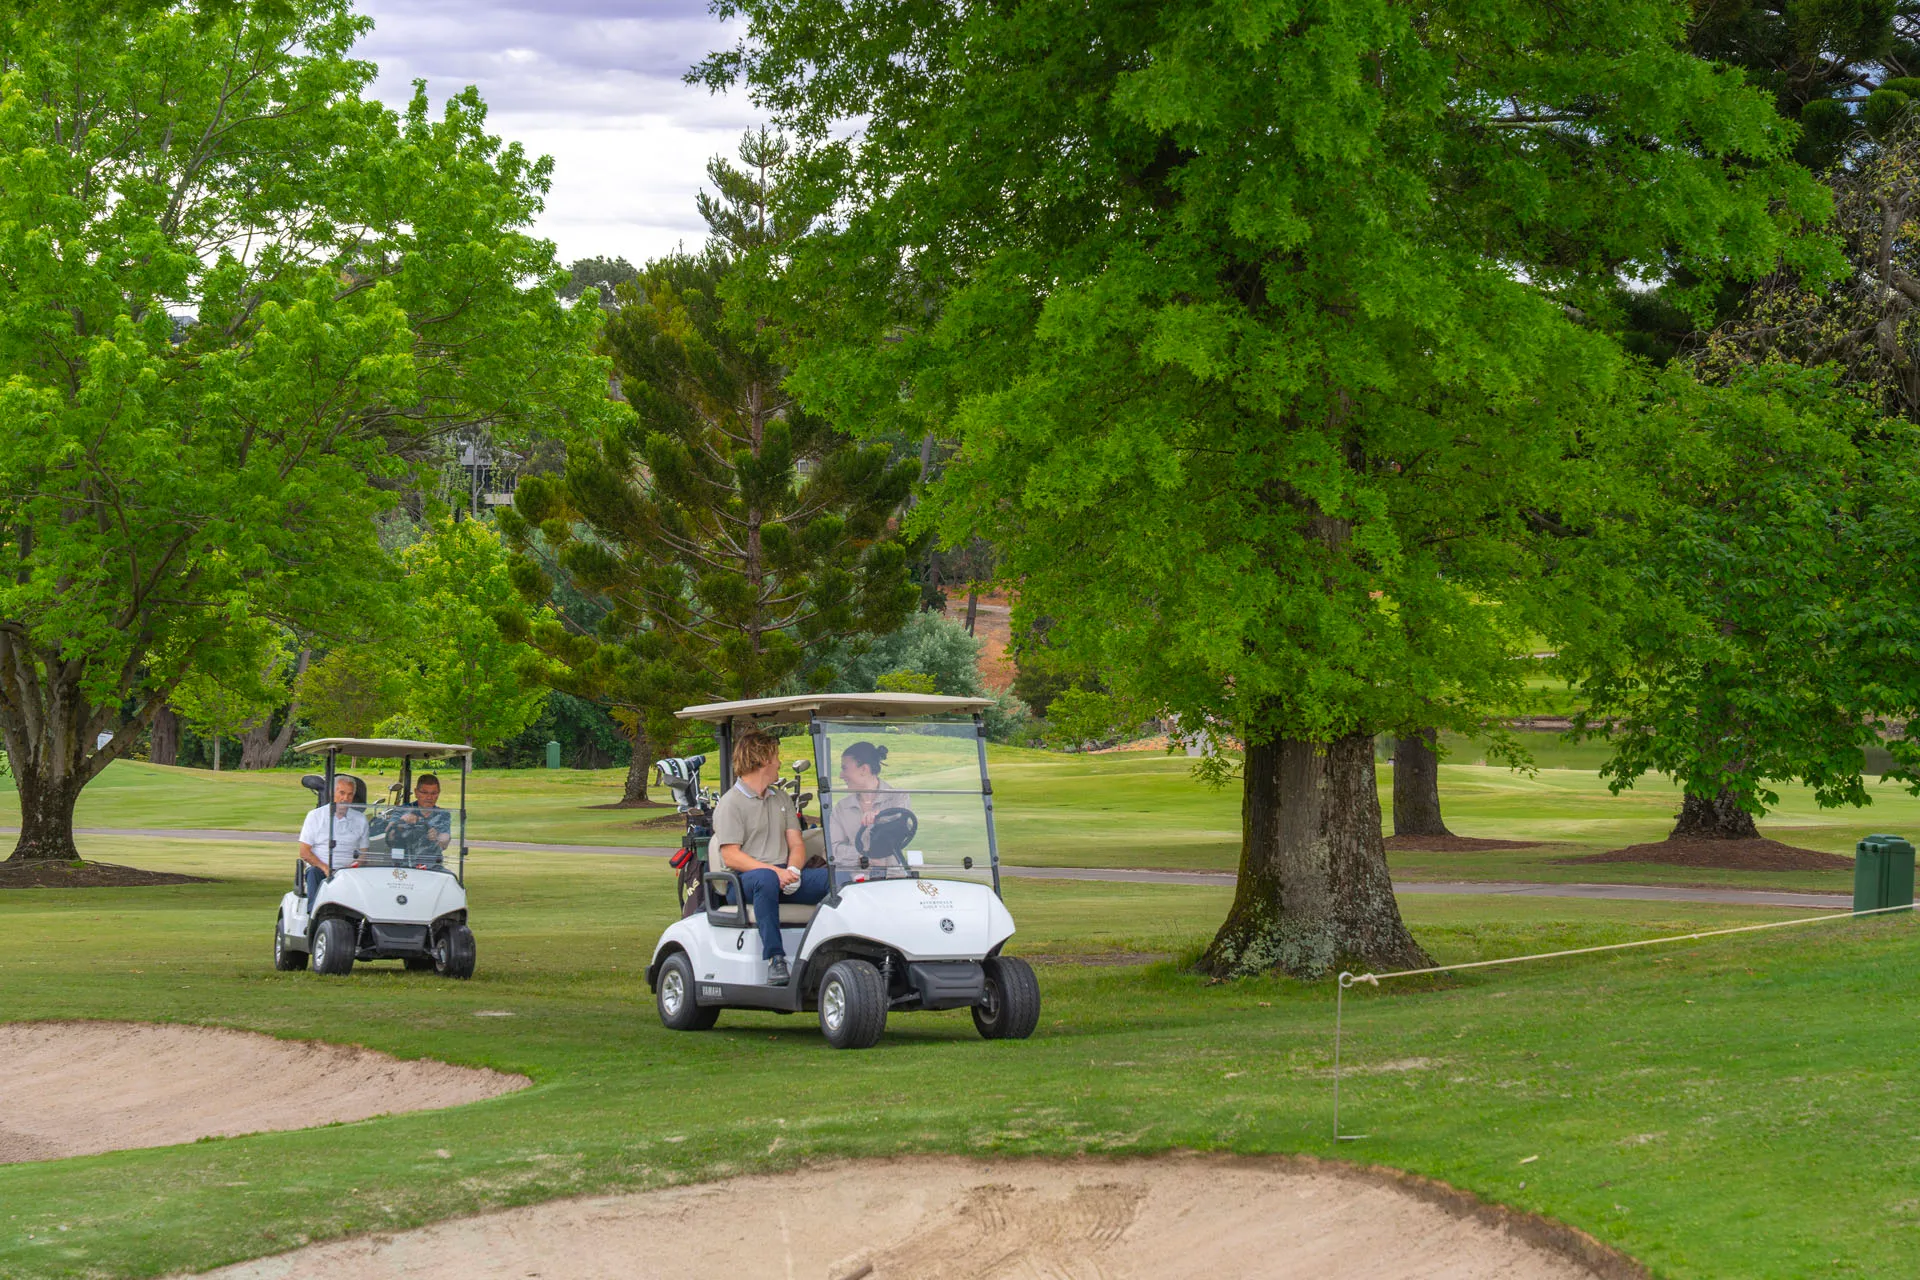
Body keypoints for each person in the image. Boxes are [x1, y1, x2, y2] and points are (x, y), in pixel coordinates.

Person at [711, 730, 829, 985]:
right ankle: (775, 959)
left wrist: (794, 871)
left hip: (783, 876)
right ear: (763, 758)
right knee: (765, 879)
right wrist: (777, 873)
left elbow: (796, 843)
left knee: (834, 880)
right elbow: (731, 856)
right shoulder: (731, 803)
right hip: (745, 882)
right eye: (776, 756)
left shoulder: (781, 798)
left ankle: (834, 953)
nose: (779, 763)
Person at [827, 741, 915, 874]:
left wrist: (878, 818)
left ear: (864, 769)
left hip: (893, 875)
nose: (841, 775)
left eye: (845, 768)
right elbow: (833, 849)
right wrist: (864, 857)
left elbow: (899, 826)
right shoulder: (841, 807)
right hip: (856, 880)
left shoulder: (898, 797)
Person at [298, 776, 369, 903]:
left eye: (349, 794)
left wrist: (355, 866)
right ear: (332, 793)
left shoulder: (360, 819)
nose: (345, 798)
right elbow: (304, 852)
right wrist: (325, 868)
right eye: (341, 793)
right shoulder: (315, 816)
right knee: (314, 873)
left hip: (349, 871)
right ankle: (315, 916)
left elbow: (364, 853)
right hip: (321, 869)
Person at [389, 773, 454, 864]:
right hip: (404, 863)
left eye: (433, 793)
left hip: (432, 865)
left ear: (438, 793)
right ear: (416, 792)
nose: (429, 797)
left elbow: (445, 841)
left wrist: (437, 836)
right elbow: (389, 832)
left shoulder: (442, 814)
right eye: (424, 792)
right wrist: (401, 822)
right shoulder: (403, 810)